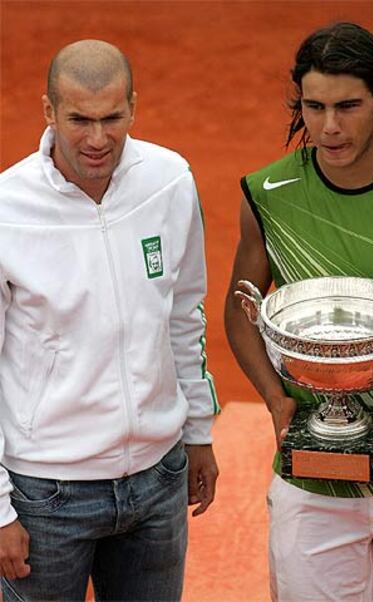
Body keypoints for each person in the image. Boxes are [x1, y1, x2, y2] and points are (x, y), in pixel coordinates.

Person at [0, 39, 220, 601]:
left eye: (112, 118)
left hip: (158, 480)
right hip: (45, 496)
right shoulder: (7, 210)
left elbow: (183, 313)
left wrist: (197, 432)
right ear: (48, 111)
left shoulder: (170, 180)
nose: (98, 140)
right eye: (79, 119)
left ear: (134, 106)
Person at [225, 22, 373, 602]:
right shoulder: (269, 194)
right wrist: (277, 399)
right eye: (314, 106)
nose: (329, 126)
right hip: (312, 479)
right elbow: (241, 308)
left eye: (348, 105)